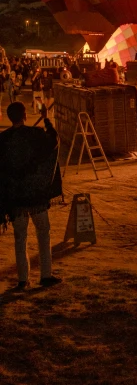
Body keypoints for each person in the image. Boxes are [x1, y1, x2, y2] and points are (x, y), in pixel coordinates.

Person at [0, 103, 62, 290]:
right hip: (36, 197)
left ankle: (22, 279)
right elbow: (53, 140)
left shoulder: (2, 140)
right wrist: (46, 119)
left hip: (16, 199)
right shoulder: (36, 135)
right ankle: (45, 275)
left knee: (20, 237)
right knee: (43, 234)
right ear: (25, 115)